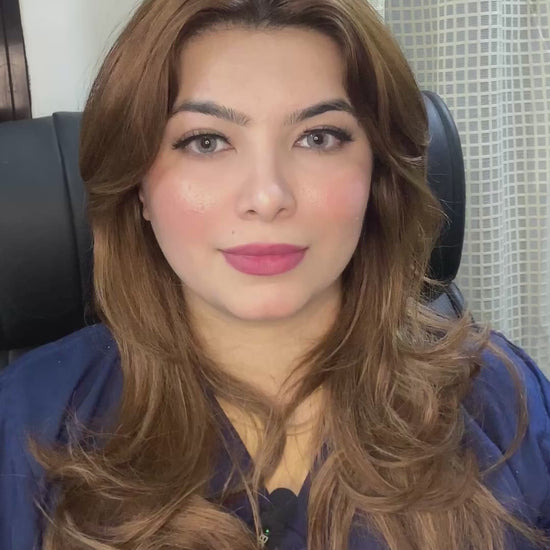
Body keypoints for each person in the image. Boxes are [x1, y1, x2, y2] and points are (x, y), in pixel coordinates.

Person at [1, 0, 549, 548]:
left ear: (377, 173)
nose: (267, 197)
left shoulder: (504, 400)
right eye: (206, 141)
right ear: (137, 185)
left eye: (319, 137)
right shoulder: (25, 418)